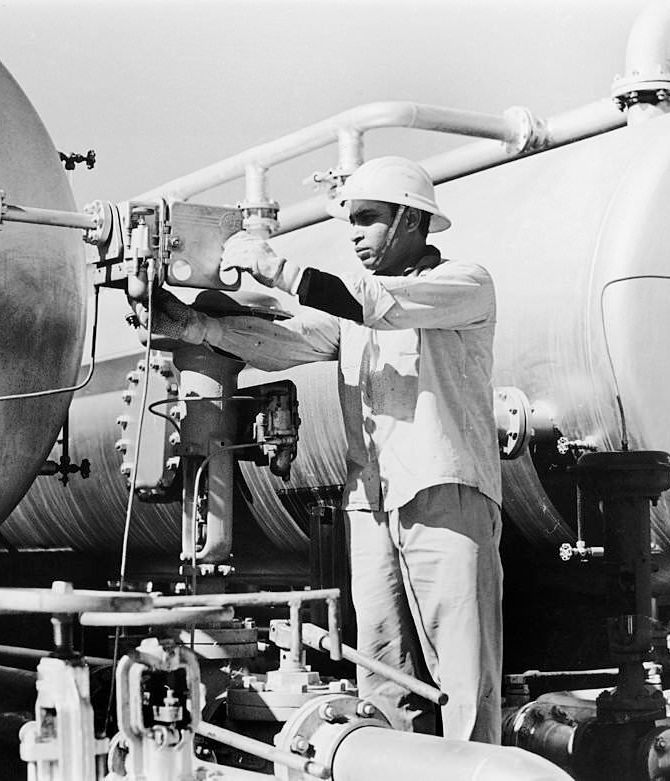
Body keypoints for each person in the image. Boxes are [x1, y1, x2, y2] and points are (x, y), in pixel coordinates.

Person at [128, 156, 502, 743]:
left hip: (443, 494)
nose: (354, 233)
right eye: (350, 220)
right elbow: (292, 341)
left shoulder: (463, 284)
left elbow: (376, 305)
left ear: (411, 220)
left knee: (463, 674)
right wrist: (198, 329)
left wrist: (276, 267)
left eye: (369, 219)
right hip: (372, 502)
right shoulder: (356, 311)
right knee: (382, 674)